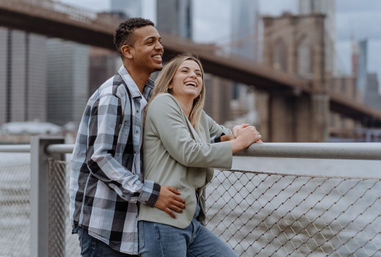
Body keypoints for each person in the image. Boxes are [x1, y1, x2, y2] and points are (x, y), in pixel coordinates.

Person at [69, 18, 186, 257]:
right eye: (150, 42)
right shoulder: (112, 95)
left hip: (134, 227)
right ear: (128, 51)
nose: (160, 47)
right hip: (103, 229)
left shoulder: (154, 94)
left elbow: (183, 133)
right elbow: (99, 159)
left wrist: (224, 138)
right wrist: (152, 194)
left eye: (160, 41)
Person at [138, 55, 262, 257]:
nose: (193, 76)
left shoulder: (198, 115)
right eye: (185, 71)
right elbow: (188, 152)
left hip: (190, 222)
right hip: (163, 221)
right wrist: (239, 142)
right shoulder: (163, 103)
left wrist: (239, 130)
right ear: (169, 82)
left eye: (198, 74)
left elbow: (223, 133)